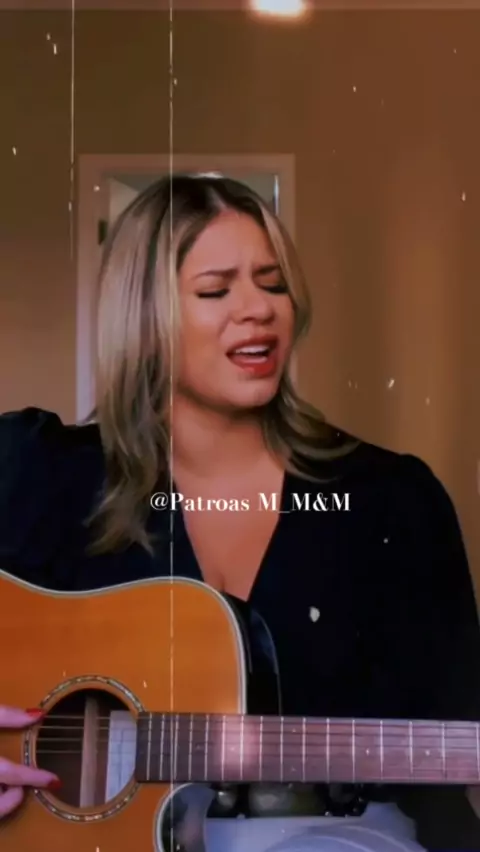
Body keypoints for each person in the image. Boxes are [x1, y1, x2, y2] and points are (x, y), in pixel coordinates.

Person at [1, 173, 480, 851]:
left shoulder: (394, 500)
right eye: (216, 290)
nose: (259, 309)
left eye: (273, 284)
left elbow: (454, 739)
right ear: (145, 318)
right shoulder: (35, 471)